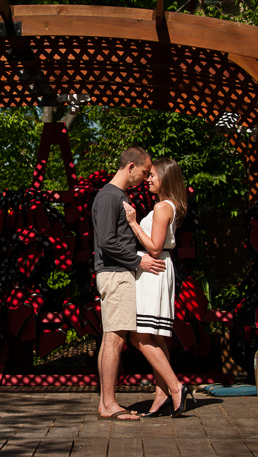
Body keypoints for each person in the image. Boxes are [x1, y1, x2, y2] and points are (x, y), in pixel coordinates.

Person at [92, 146, 166, 421]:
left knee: (111, 337)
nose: (144, 179)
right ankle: (110, 404)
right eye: (145, 172)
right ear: (131, 167)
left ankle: (105, 403)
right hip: (115, 273)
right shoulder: (110, 197)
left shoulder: (114, 196)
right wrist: (138, 261)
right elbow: (107, 241)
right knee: (115, 338)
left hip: (116, 272)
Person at [123, 157, 193, 418]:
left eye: (152, 175)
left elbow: (153, 246)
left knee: (138, 335)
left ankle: (175, 387)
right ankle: (162, 394)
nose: (148, 179)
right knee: (155, 335)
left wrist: (132, 222)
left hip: (154, 267)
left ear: (166, 177)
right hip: (157, 267)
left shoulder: (163, 207)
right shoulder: (166, 205)